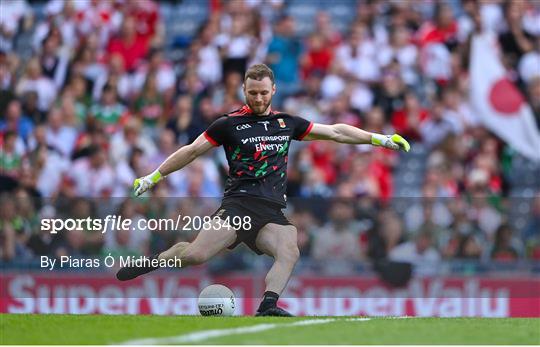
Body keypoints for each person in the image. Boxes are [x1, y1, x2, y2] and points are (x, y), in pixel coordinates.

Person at [116, 64, 410, 316]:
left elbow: (335, 131)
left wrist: (380, 139)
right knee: (195, 255)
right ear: (244, 90)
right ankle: (151, 262)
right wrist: (152, 177)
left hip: (270, 211)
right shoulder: (228, 124)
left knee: (289, 247)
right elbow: (191, 151)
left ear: (273, 90)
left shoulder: (286, 123)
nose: (258, 98)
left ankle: (268, 305)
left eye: (263, 92)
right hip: (238, 207)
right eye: (252, 92)